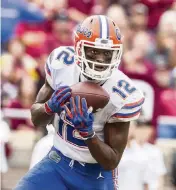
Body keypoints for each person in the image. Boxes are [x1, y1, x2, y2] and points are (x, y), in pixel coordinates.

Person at [14, 15, 145, 190]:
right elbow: (37, 119)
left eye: (107, 53)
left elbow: (111, 161)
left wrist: (88, 134)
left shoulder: (122, 92)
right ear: (78, 47)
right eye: (93, 50)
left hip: (95, 175)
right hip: (57, 164)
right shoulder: (61, 64)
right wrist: (49, 107)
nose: (100, 59)